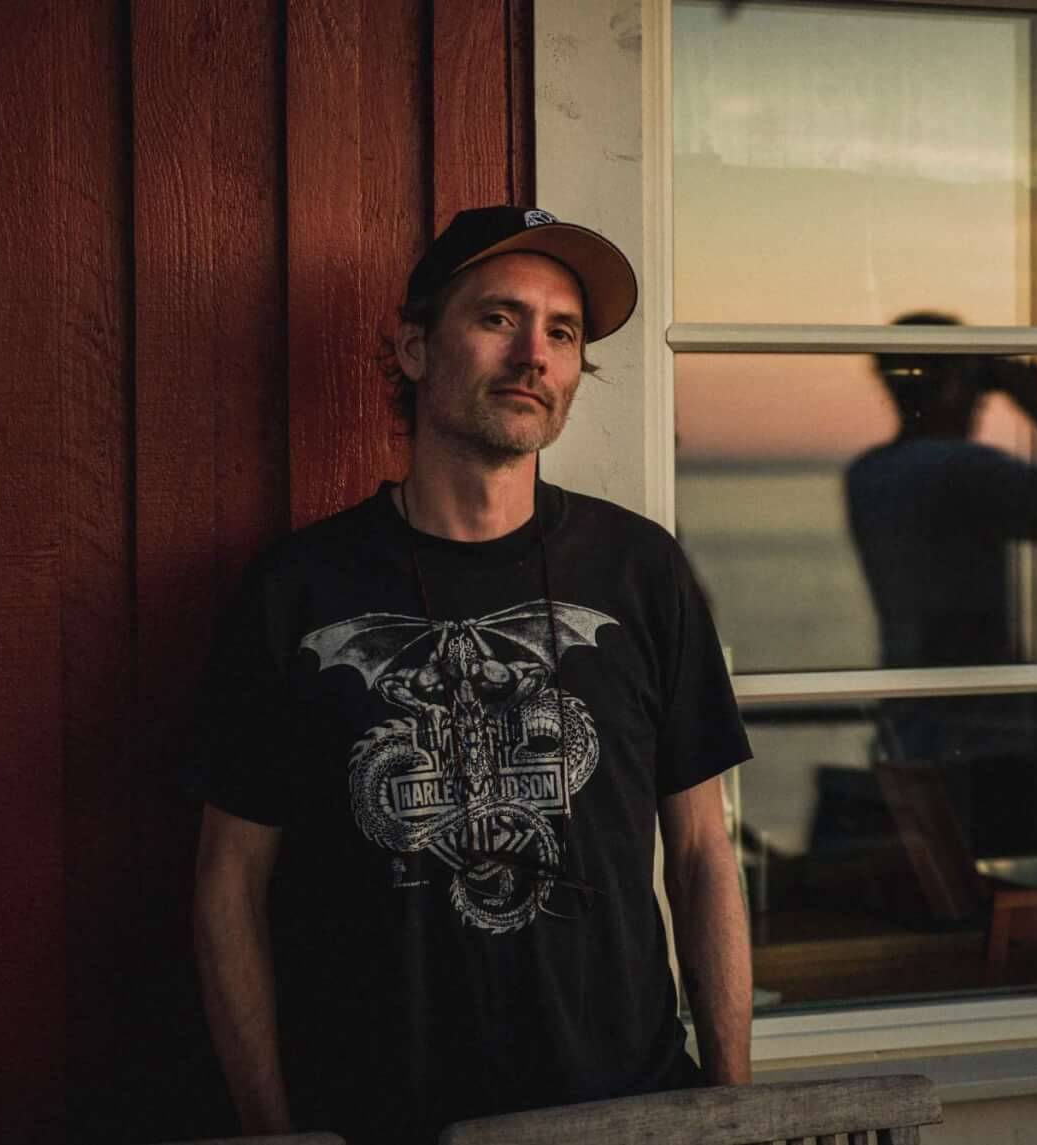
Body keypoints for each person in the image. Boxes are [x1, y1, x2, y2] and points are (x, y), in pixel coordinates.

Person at [186, 206, 753, 1144]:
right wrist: (275, 1130)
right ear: (415, 347)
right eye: (498, 318)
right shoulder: (300, 591)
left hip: (628, 1109)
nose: (534, 355)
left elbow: (700, 855)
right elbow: (228, 884)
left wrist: (736, 1113)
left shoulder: (639, 571)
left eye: (562, 332)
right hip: (382, 1118)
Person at [844, 312, 1037, 871]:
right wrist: (1035, 402)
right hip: (984, 736)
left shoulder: (868, 473)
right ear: (950, 384)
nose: (980, 402)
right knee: (1010, 889)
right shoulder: (962, 468)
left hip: (908, 725)